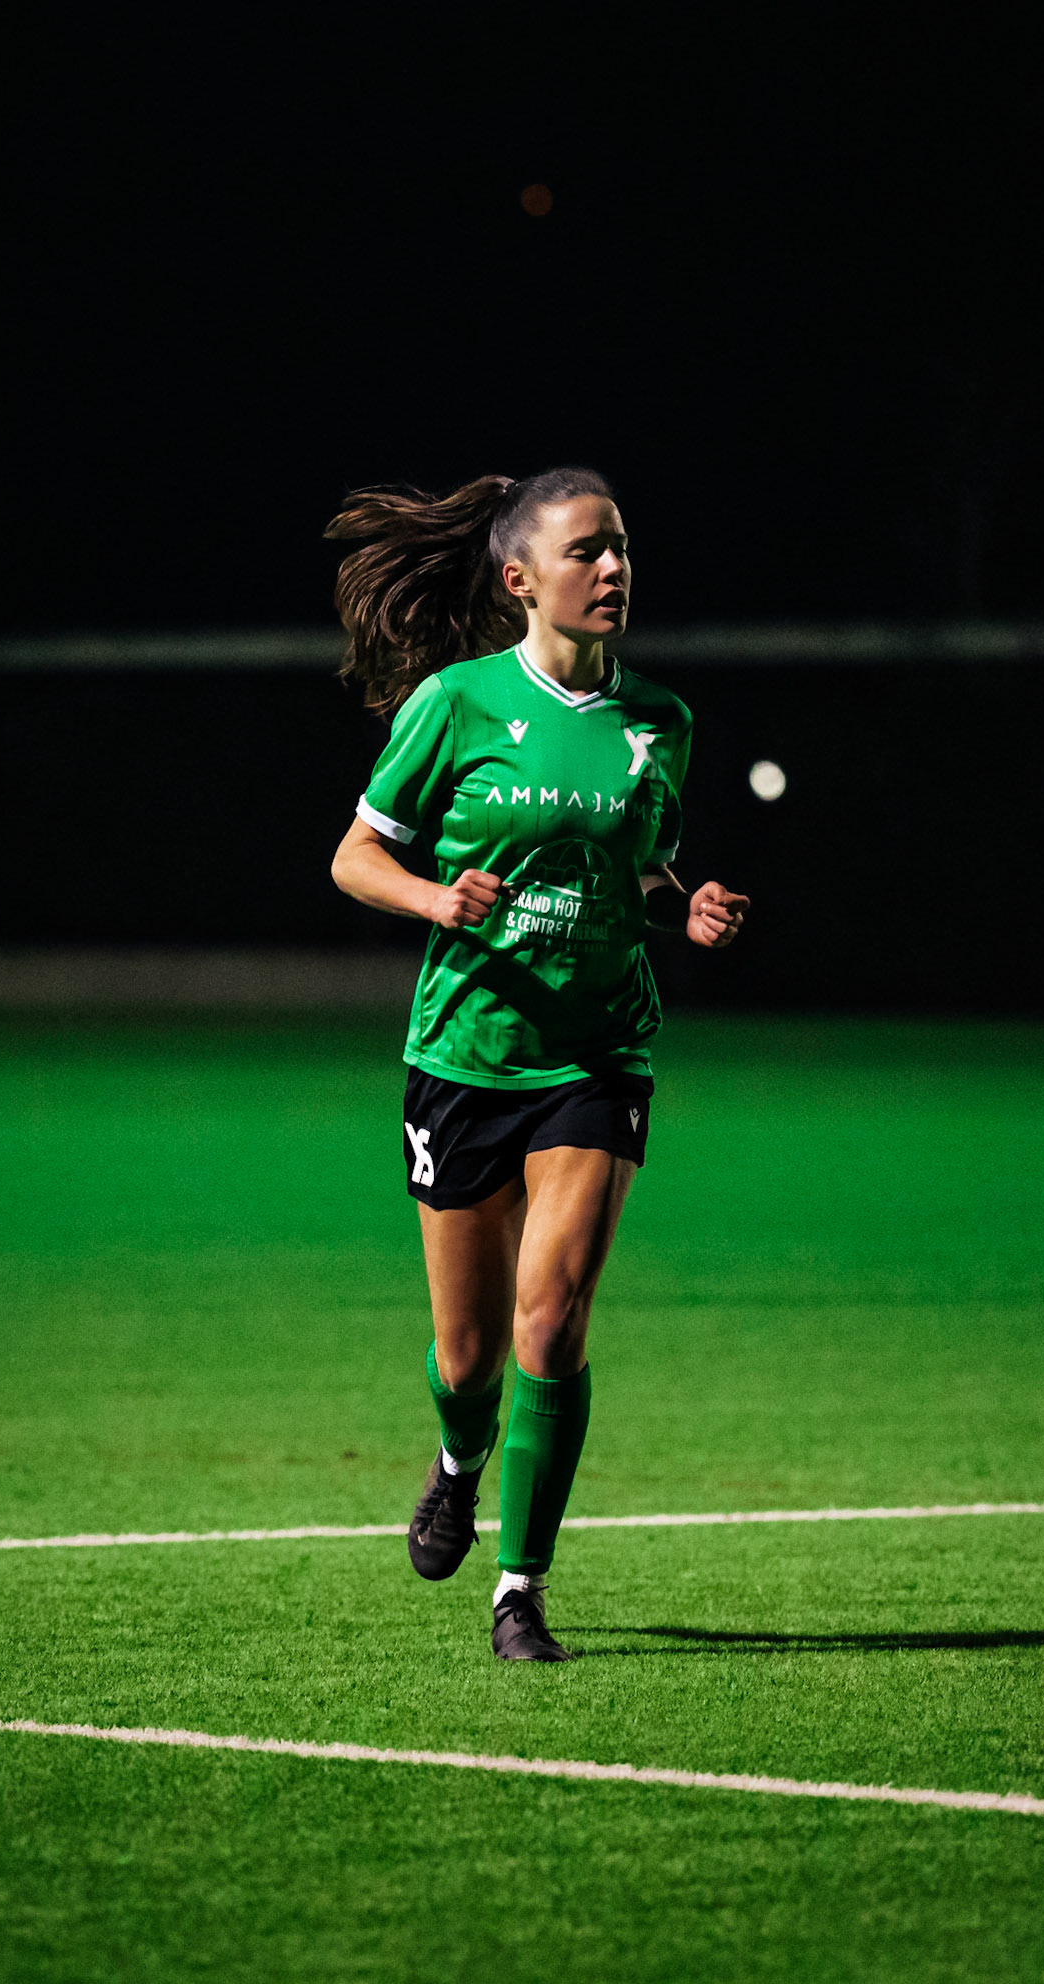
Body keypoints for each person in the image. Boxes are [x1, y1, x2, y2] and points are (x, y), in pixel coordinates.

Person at [329, 467, 747, 1662]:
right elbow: (355, 857)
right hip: (466, 1054)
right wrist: (433, 897)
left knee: (551, 1320)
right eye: (586, 552)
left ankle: (520, 1587)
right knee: (467, 1357)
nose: (613, 569)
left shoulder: (660, 720)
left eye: (621, 547)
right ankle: (459, 1460)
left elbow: (640, 875)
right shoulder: (455, 706)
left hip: (597, 1054)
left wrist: (687, 904)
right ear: (521, 579)